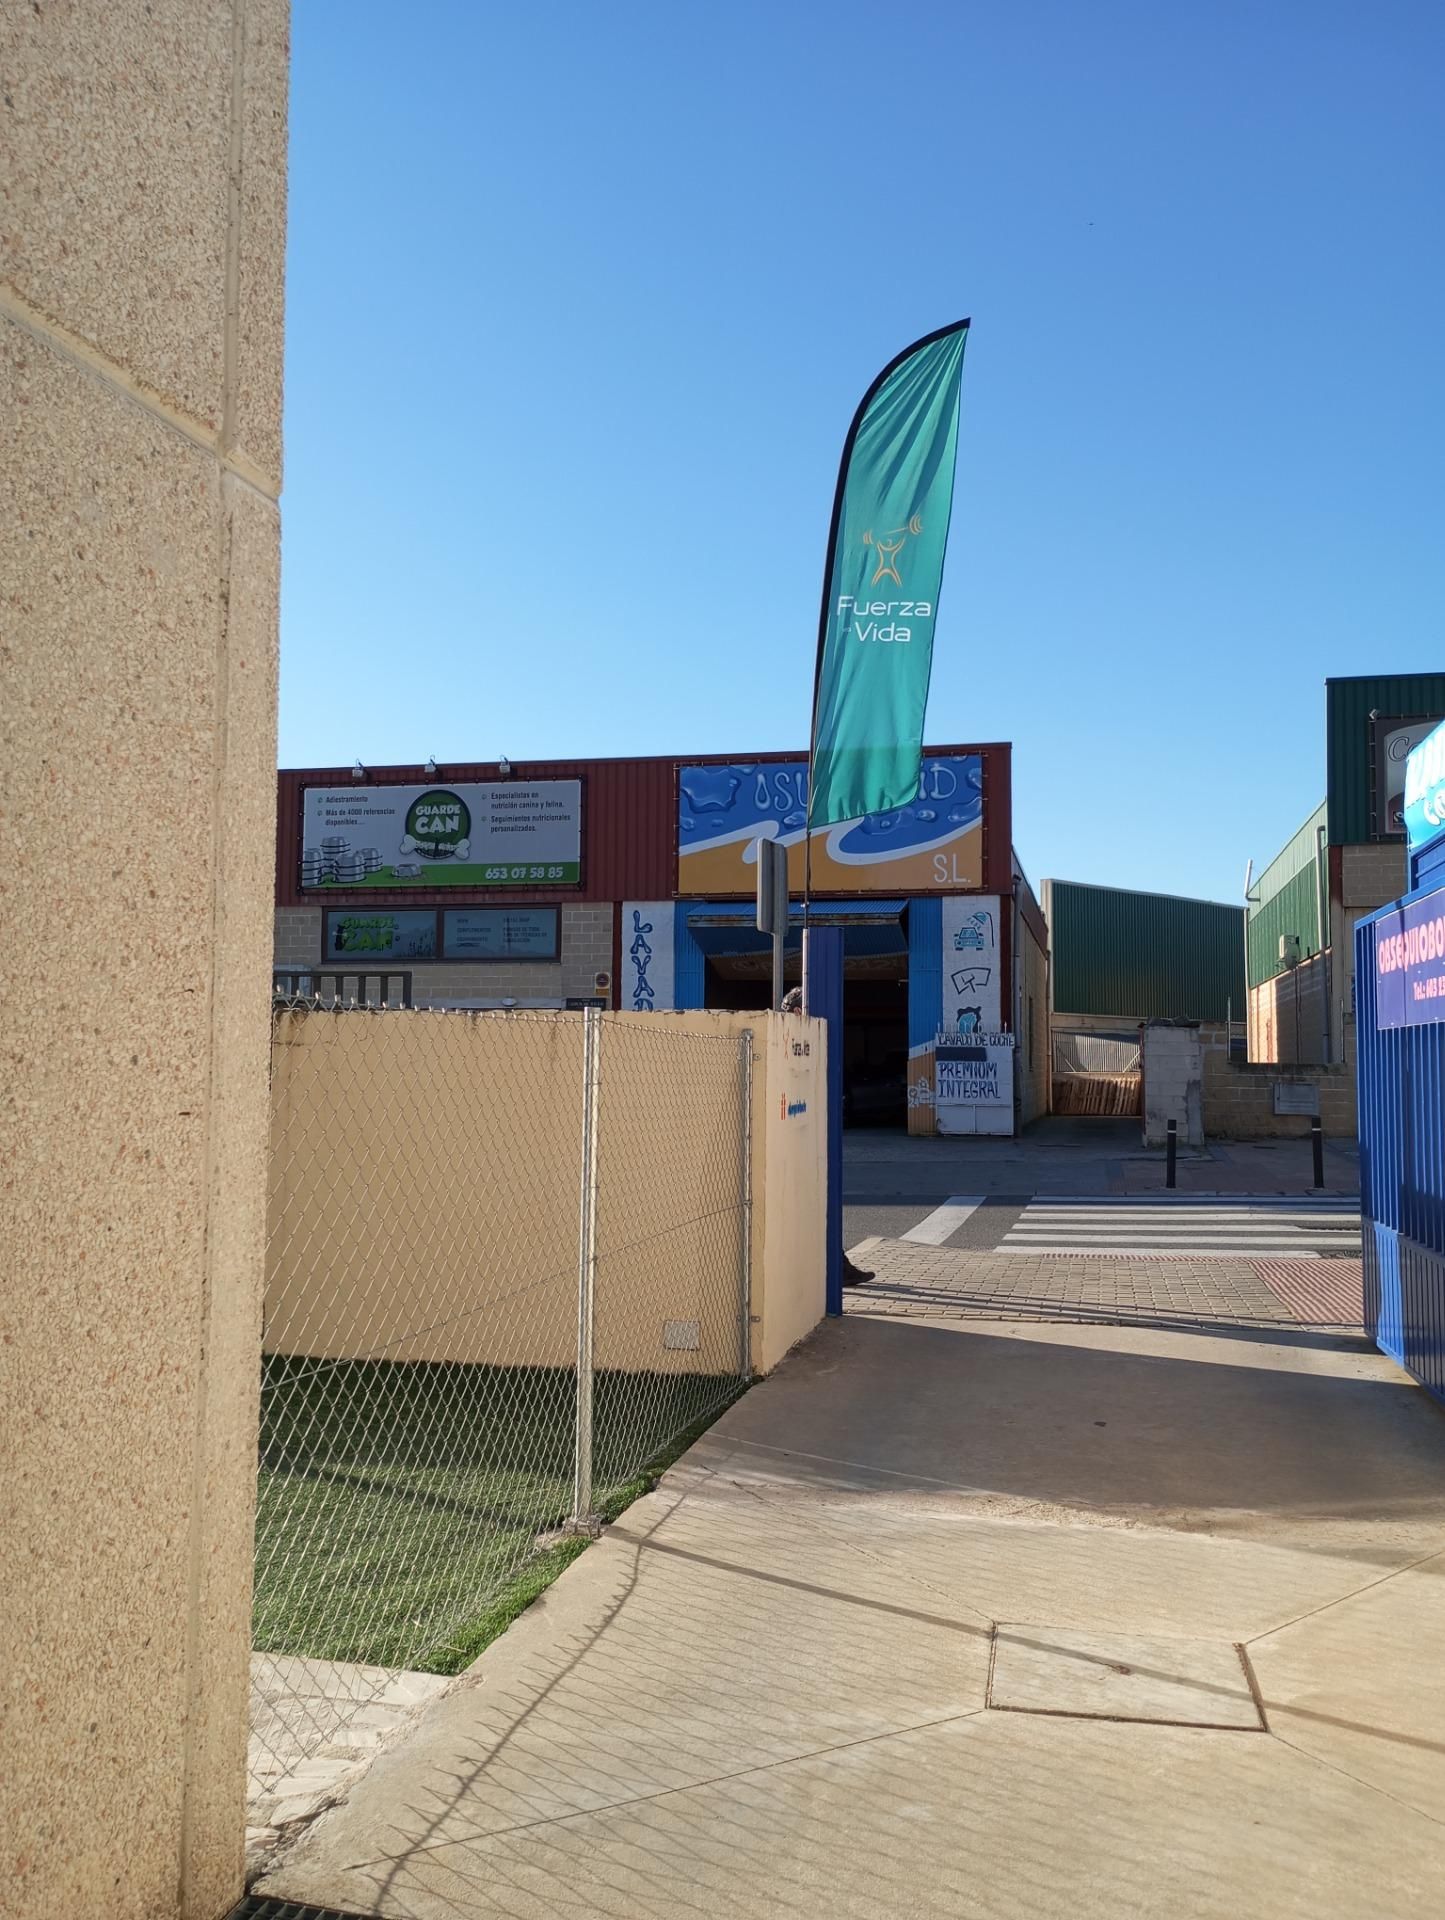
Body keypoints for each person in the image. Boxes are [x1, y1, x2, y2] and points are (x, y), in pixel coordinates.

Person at [779, 985, 873, 1286]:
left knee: (818, 1212)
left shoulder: (800, 1042)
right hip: (794, 1146)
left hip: (805, 1141)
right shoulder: (787, 1043)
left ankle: (838, 1267)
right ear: (797, 1011)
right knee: (811, 1214)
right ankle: (834, 1270)